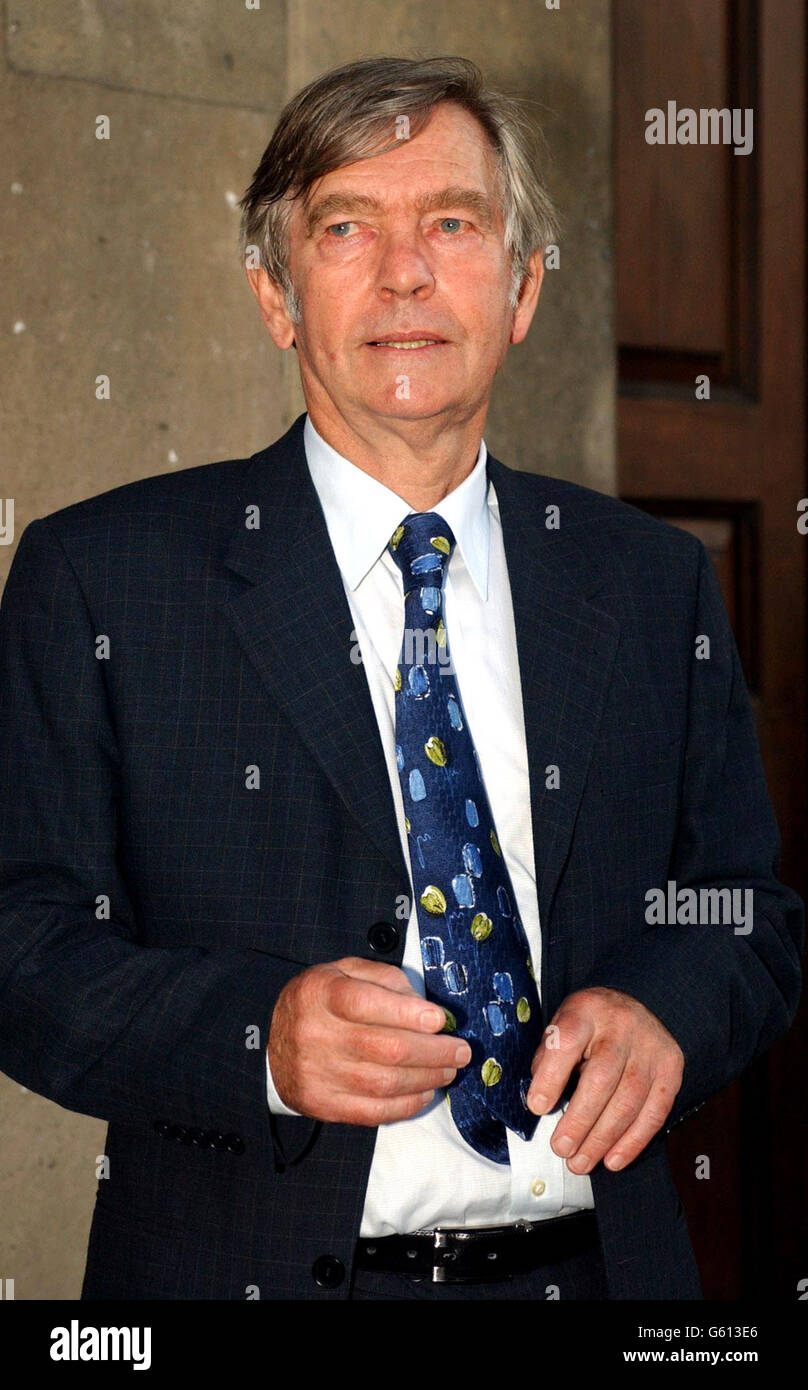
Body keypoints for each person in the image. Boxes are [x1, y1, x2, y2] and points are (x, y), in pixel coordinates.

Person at [0, 55, 802, 1303]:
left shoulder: (650, 583)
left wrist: (668, 1011)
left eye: (451, 223)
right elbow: (20, 951)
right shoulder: (104, 579)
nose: (406, 271)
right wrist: (259, 1037)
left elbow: (746, 913)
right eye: (345, 227)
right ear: (275, 293)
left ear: (524, 287)